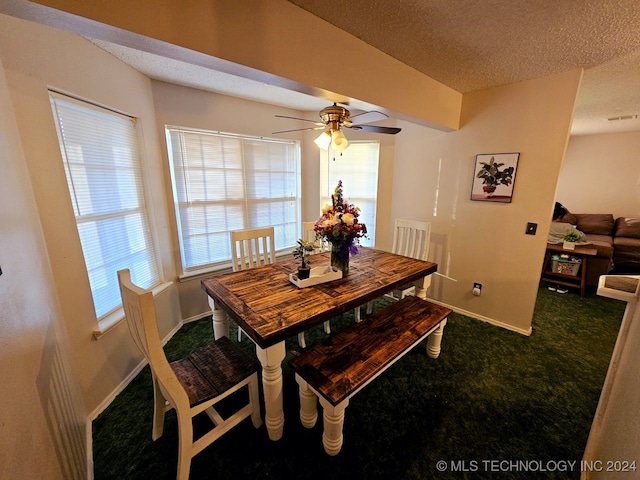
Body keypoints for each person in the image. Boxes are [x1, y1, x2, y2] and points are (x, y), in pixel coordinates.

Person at [547, 202, 587, 294]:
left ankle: (552, 281)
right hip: (568, 252)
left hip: (551, 249)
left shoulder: (544, 225)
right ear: (560, 217)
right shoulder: (567, 226)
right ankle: (564, 283)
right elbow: (583, 237)